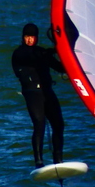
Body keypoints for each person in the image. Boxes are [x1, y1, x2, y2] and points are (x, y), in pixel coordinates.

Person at [11, 22, 66, 167]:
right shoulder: (19, 53)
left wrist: (66, 54)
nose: (30, 39)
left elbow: (60, 68)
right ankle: (39, 161)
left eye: (33, 37)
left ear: (37, 37)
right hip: (32, 93)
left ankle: (58, 159)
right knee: (39, 123)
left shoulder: (42, 53)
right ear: (23, 37)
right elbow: (30, 56)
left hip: (47, 91)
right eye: (27, 37)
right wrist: (50, 51)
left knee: (59, 124)